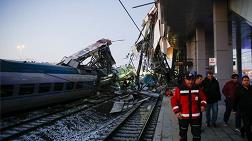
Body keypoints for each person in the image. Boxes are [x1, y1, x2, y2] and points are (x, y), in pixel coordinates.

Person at [171, 73, 207, 141]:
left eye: (191, 80)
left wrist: (203, 105)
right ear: (185, 79)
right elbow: (174, 100)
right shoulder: (179, 89)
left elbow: (203, 98)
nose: (190, 81)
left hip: (196, 116)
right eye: (188, 80)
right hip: (183, 116)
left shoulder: (197, 88)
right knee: (183, 135)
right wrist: (177, 112)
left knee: (197, 135)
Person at [233, 75, 252, 141]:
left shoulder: (251, 88)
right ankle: (249, 137)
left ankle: (242, 129)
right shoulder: (239, 89)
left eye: (247, 80)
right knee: (247, 124)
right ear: (242, 81)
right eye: (245, 80)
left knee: (250, 123)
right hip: (243, 110)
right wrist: (235, 110)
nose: (246, 82)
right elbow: (235, 100)